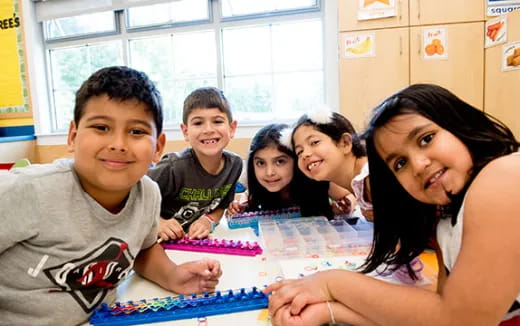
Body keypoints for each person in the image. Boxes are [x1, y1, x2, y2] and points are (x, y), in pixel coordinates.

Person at [264, 84, 520, 326]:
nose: (418, 165)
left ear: (458, 124)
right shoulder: (445, 218)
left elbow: (457, 320)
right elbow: (436, 312)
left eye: (426, 139)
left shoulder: (503, 175)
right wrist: (330, 310)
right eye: (400, 164)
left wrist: (331, 284)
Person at [0, 66, 222, 325]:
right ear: (72, 136)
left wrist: (173, 275)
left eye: (136, 131)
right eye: (101, 127)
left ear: (157, 147)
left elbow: (143, 248)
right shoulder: (29, 190)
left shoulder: (148, 194)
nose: (118, 144)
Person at [148, 87, 242, 241]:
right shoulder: (172, 167)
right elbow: (132, 198)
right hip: (155, 245)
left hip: (190, 245)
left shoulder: (234, 165)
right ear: (185, 131)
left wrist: (208, 220)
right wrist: (158, 223)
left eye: (217, 121)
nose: (208, 129)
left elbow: (221, 206)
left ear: (231, 129)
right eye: (198, 123)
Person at [226, 123, 335, 218]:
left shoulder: (317, 180)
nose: (269, 172)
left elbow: (347, 196)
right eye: (261, 163)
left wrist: (345, 205)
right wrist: (238, 207)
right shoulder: (257, 189)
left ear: (296, 160)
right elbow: (248, 196)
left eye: (280, 161)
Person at [290, 110, 373, 221]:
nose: (305, 154)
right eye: (299, 152)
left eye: (314, 142)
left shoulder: (370, 178)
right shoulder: (356, 183)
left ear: (345, 143)